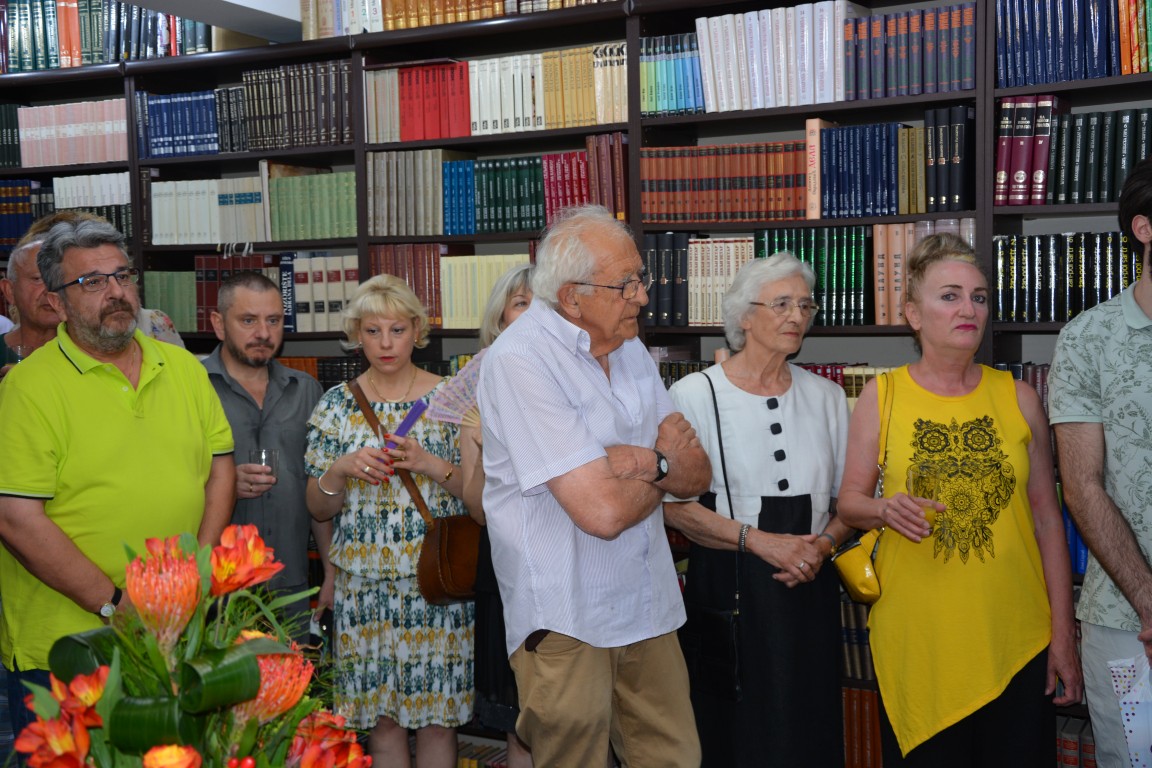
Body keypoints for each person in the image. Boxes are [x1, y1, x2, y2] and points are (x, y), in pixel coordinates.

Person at [477, 204, 711, 768]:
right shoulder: (521, 360)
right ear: (572, 298)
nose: (643, 297)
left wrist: (645, 462)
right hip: (564, 611)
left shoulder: (630, 350)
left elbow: (698, 475)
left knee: (677, 758)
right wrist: (664, 462)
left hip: (647, 602)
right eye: (625, 284)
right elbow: (602, 514)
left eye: (640, 278)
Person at [835, 233, 1082, 767]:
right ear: (912, 314)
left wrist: (1063, 634)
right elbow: (848, 503)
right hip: (921, 640)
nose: (969, 309)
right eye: (949, 296)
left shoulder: (1020, 397)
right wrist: (883, 509)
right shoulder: (882, 396)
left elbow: (1047, 521)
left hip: (1015, 636)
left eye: (979, 297)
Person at [0, 217, 235, 743]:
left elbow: (220, 468)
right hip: (68, 649)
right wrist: (114, 604)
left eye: (122, 276)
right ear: (56, 302)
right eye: (92, 282)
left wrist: (196, 572)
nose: (115, 293)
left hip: (175, 629)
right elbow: (15, 519)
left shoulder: (184, 368)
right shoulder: (27, 389)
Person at [663, 253, 851, 767]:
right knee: (736, 733)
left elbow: (849, 502)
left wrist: (824, 545)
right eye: (782, 304)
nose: (797, 316)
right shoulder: (693, 393)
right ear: (744, 317)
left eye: (805, 306)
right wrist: (761, 542)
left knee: (808, 726)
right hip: (729, 586)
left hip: (809, 582)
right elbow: (672, 509)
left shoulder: (828, 396)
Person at [304, 274, 471, 768]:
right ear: (357, 335)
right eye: (372, 331)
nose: (385, 343)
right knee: (382, 723)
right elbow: (317, 508)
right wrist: (339, 469)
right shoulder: (336, 404)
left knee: (439, 720)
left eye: (397, 330)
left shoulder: (451, 400)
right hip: (362, 588)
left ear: (417, 330)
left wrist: (428, 464)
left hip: (435, 585)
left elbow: (479, 495)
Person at [1048, 157, 1152, 768]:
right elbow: (1081, 487)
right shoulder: (1088, 338)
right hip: (1123, 621)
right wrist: (1149, 601)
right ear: (1144, 228)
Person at [204, 271, 334, 642]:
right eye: (248, 321)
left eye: (273, 321)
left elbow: (318, 489)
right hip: (214, 589)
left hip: (291, 586)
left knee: (294, 676)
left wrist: (331, 572)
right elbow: (165, 483)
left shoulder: (306, 390)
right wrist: (222, 485)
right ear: (218, 324)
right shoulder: (192, 387)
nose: (263, 333)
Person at [459, 264, 534, 768]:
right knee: (519, 722)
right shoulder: (477, 406)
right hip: (507, 572)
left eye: (542, 304)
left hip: (574, 572)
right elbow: (477, 510)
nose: (533, 314)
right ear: (500, 319)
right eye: (521, 303)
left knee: (582, 717)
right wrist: (490, 451)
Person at [0, 236, 61, 378]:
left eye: (59, 279)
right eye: (38, 279)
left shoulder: (92, 353)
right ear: (9, 291)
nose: (51, 290)